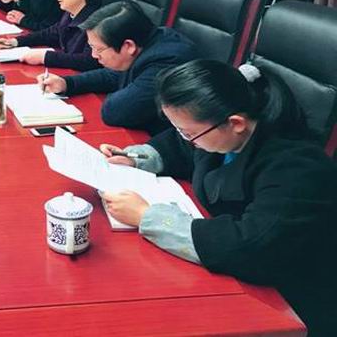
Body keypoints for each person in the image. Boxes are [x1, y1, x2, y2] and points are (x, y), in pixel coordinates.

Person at [99, 60, 337, 336]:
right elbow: (182, 146)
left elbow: (251, 245)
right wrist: (136, 158)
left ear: (236, 123)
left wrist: (148, 216)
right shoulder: (222, 128)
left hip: (289, 299)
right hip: (235, 272)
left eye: (189, 133)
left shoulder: (296, 168)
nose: (186, 139)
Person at [38, 1, 196, 133]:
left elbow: (116, 112)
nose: (94, 55)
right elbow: (113, 75)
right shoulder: (146, 42)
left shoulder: (166, 62)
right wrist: (67, 83)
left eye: (99, 49)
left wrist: (119, 92)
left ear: (128, 46)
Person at [0, 0, 105, 70]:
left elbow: (88, 61)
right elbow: (50, 33)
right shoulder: (70, 14)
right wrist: (15, 41)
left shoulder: (97, 22)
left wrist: (45, 57)